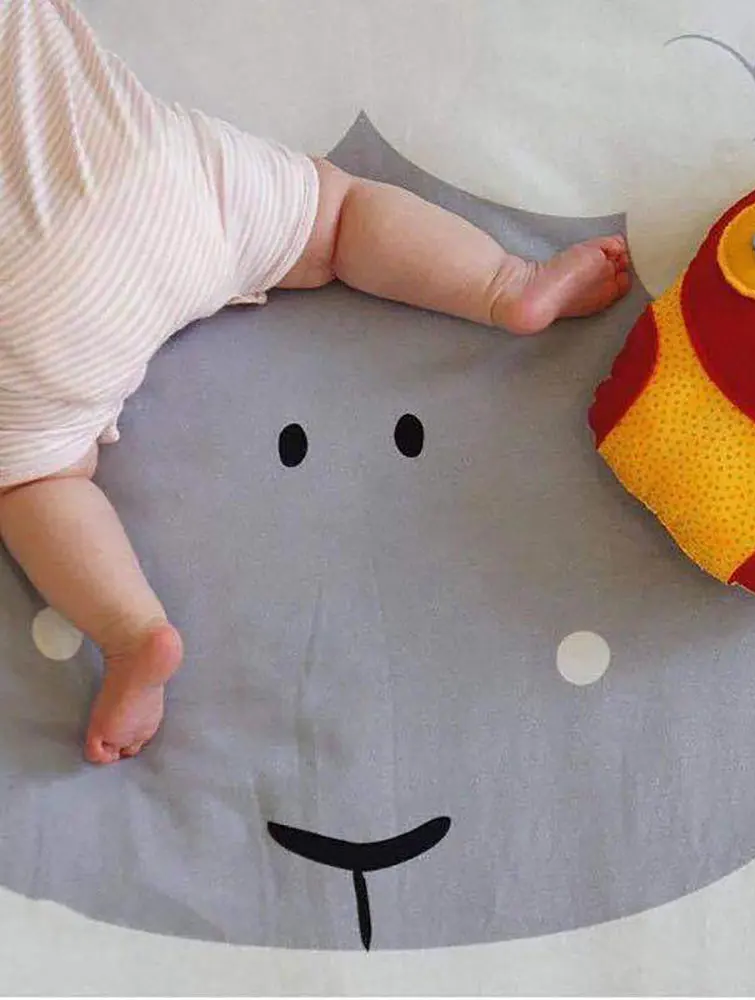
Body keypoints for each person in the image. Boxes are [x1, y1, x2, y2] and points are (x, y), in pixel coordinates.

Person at [0, 0, 632, 764]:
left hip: (26, 322)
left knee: (36, 481)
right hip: (145, 184)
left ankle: (131, 633)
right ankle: (507, 285)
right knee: (337, 219)